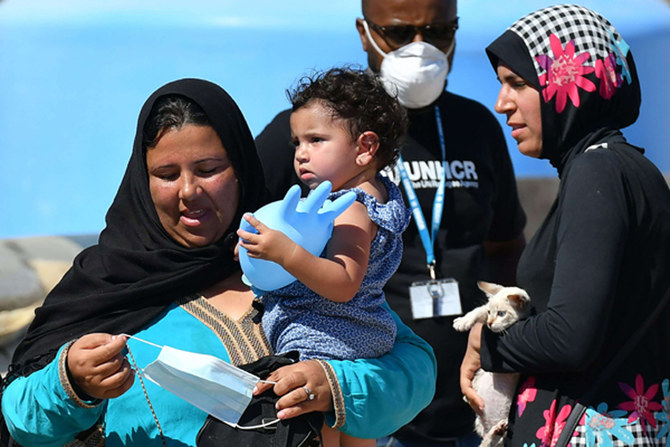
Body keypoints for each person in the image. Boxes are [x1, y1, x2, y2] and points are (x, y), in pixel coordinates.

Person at [0, 78, 437, 447]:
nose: (189, 191)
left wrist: (334, 386)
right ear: (142, 181)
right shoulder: (106, 284)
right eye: (166, 175)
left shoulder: (294, 262)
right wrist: (71, 382)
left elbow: (413, 367)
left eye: (209, 169)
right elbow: (19, 417)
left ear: (242, 169)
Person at [254, 1, 527, 446]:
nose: (421, 48)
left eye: (439, 31)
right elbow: (240, 227)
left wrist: (500, 338)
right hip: (365, 386)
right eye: (399, 33)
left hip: (469, 405)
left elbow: (505, 244)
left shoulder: (478, 125)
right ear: (365, 33)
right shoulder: (311, 136)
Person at [459, 4, 670, 447]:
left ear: (568, 82)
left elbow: (570, 337)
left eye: (518, 83)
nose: (501, 103)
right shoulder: (622, 168)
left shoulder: (598, 171)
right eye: (500, 84)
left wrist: (485, 342)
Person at [238, 68, 411, 447]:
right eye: (297, 142)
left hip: (329, 344)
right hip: (354, 341)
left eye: (316, 140)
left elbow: (343, 282)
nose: (301, 154)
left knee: (318, 436)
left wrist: (285, 253)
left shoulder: (352, 208)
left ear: (365, 148)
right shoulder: (371, 195)